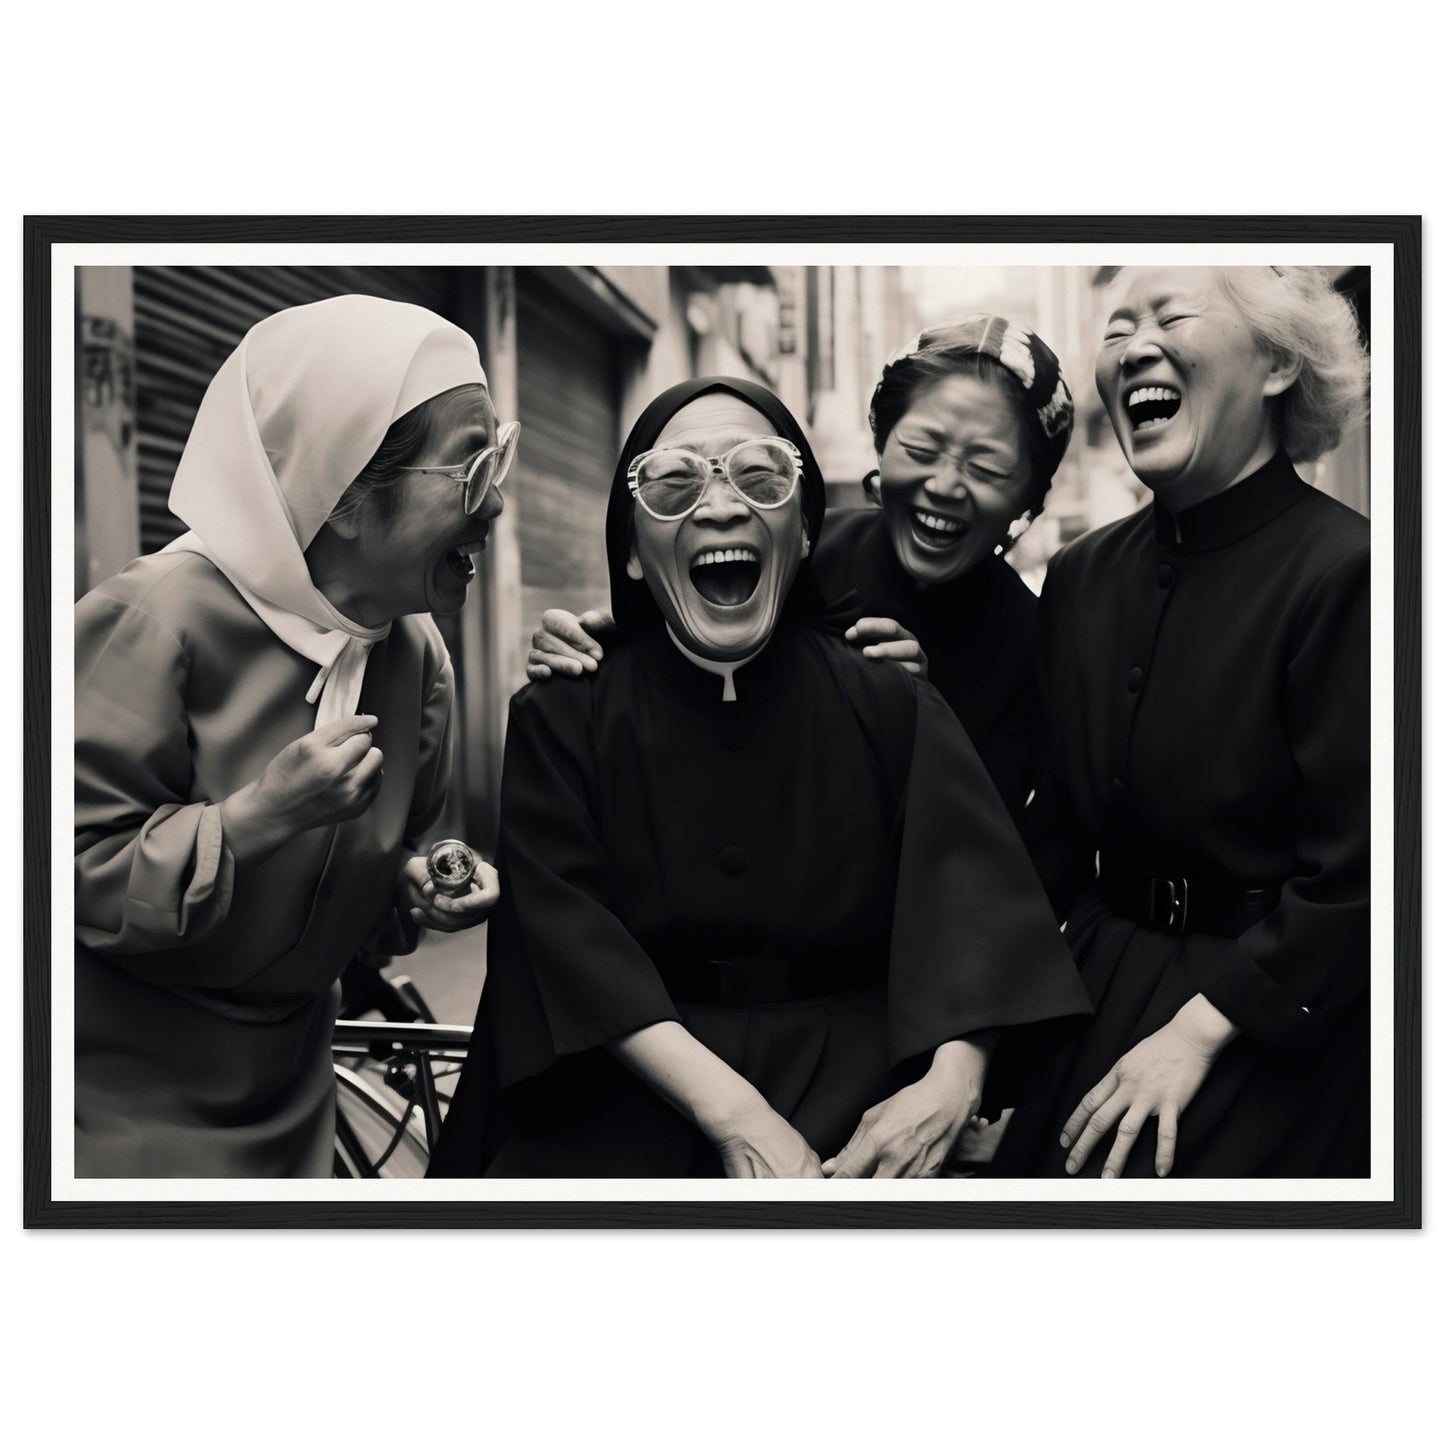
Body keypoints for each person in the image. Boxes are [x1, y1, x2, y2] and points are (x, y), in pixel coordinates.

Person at [428, 377, 1090, 1179]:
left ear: (805, 528)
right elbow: (565, 942)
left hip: (856, 1093)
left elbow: (978, 913)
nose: (719, 506)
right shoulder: (563, 713)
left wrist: (952, 1080)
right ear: (631, 549)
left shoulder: (891, 698)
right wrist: (736, 1114)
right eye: (673, 483)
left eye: (759, 476)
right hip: (624, 1086)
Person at [74, 295, 509, 1177]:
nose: (496, 503)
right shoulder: (153, 617)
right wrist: (258, 817)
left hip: (298, 1091)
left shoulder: (415, 656)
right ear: (344, 492)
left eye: (500, 460)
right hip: (108, 1097)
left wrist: (412, 888)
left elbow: (362, 902)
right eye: (470, 469)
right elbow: (58, 877)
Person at [992, 265, 1371, 1179]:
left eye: (1170, 317)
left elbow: (1369, 872)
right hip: (1094, 976)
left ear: (1277, 364)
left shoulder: (1349, 571)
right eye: (1116, 328)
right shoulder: (1080, 576)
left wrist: (1201, 1031)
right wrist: (975, 1046)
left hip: (1272, 1010)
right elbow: (1039, 837)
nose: (1134, 348)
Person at [527, 316, 1074, 817]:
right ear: (881, 445)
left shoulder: (1033, 642)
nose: (945, 486)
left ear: (1031, 495)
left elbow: (985, 843)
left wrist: (919, 720)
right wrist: (596, 644)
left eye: (986, 467)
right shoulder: (789, 548)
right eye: (922, 449)